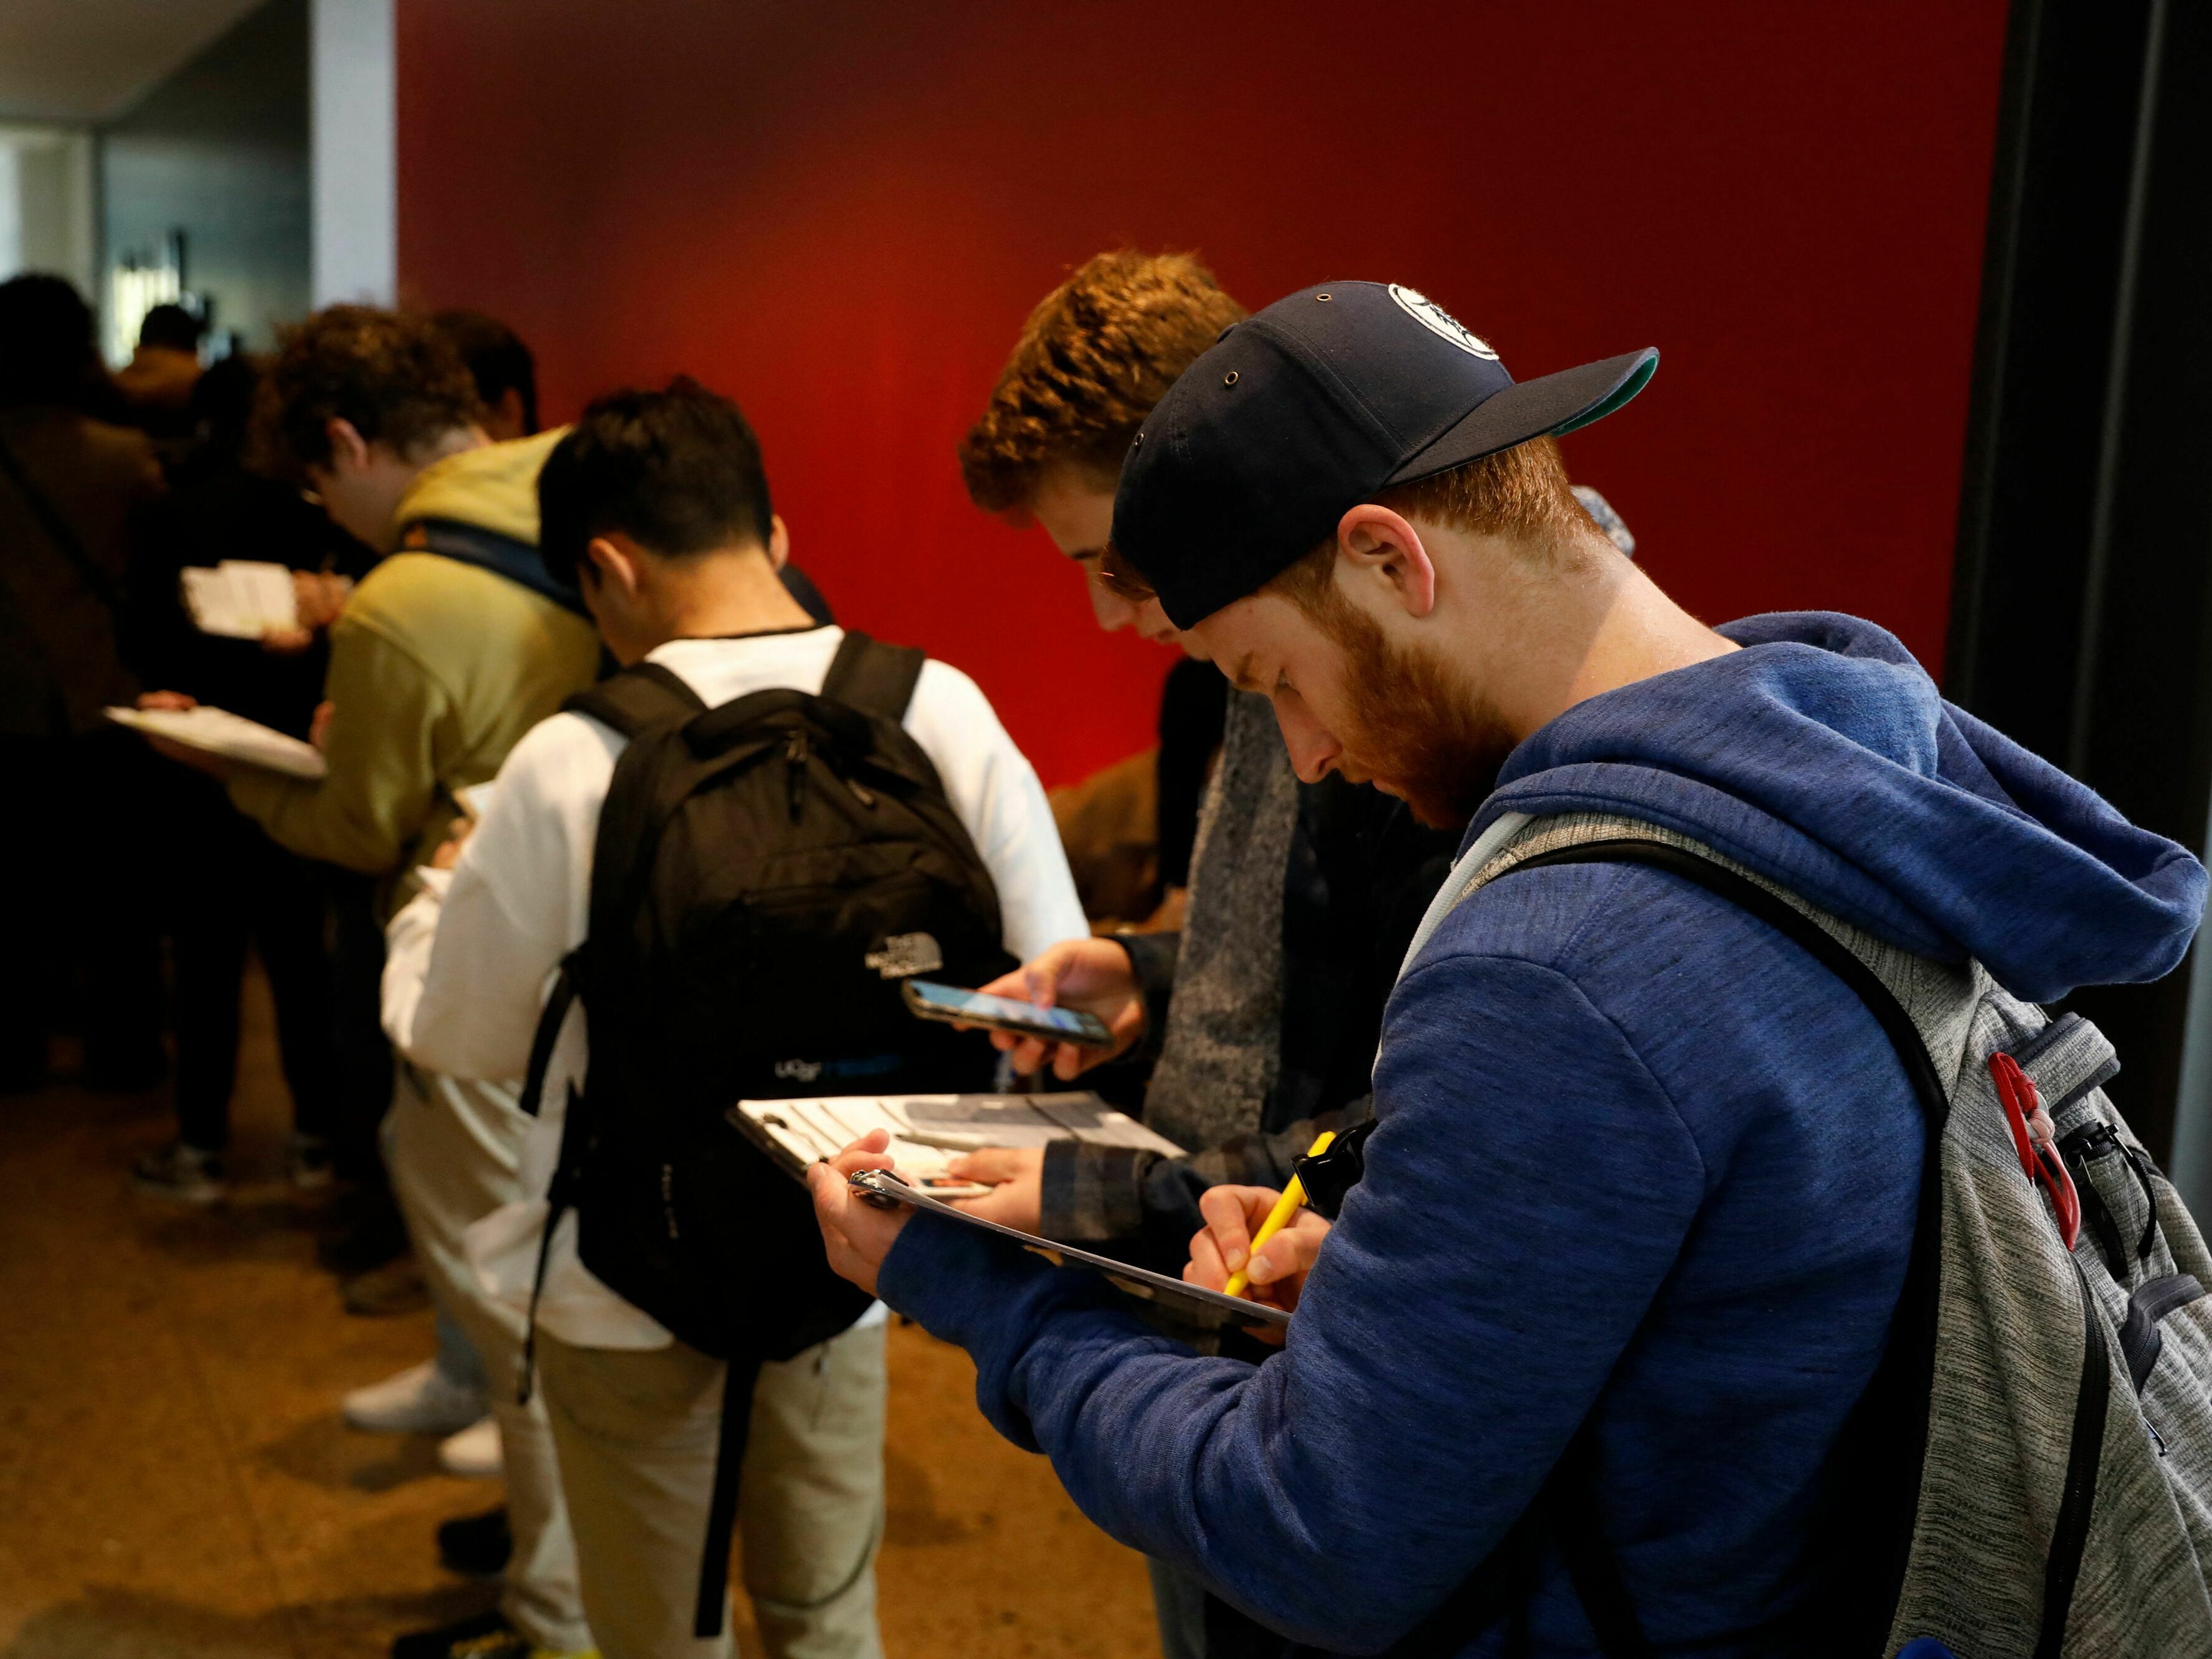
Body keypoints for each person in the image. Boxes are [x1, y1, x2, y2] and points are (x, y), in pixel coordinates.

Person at [809, 280, 2208, 1654]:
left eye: (1273, 678)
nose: (1303, 749)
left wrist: (995, 1297)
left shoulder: (1559, 966)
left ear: (1389, 559)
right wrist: (1399, 1277)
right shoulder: (1839, 787)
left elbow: (1320, 1538)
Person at [388, 379, 1087, 1659]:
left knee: (658, 1632)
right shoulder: (938, 709)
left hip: (625, 1274)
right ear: (773, 533)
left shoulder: (571, 757)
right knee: (823, 1615)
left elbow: (464, 1042)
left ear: (607, 569)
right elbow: (1051, 990)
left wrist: (437, 890)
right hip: (861, 1245)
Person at [134, 305, 603, 1659]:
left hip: (483, 954)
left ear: (343, 442)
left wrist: (228, 768)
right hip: (611, 943)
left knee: (506, 1279)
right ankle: (558, 1542)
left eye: (315, 484)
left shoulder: (403, 600)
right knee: (551, 1267)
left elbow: (356, 823)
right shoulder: (583, 483)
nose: (323, 514)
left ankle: (555, 1604)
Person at [126, 352, 363, 1199]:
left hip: (201, 770)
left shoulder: (175, 513)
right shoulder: (321, 520)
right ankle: (315, 1140)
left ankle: (200, 1147)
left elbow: (145, 638)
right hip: (302, 762)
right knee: (304, 961)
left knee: (205, 963)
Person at [0, 273, 168, 1094]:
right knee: (117, 896)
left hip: (7, 700)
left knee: (13, 896)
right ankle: (125, 1047)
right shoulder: (123, 458)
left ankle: (16, 1046)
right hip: (104, 693)